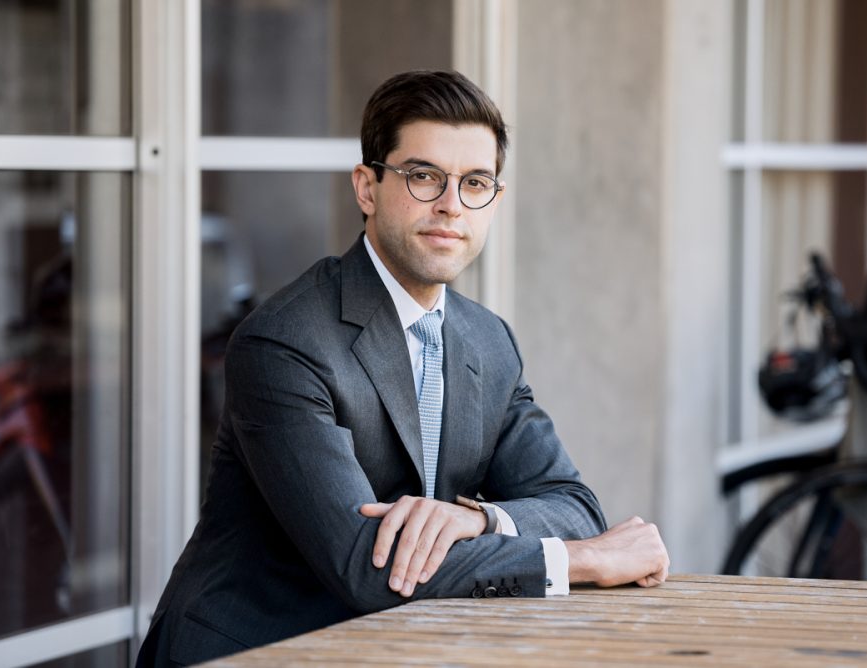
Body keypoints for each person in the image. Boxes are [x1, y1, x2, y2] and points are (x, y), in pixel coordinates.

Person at [137, 70, 669, 666]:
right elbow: (367, 565)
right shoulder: (285, 343)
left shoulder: (489, 342)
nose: (451, 205)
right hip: (254, 651)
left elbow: (571, 503)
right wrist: (583, 559)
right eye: (423, 177)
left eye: (475, 183)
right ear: (367, 188)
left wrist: (477, 519)